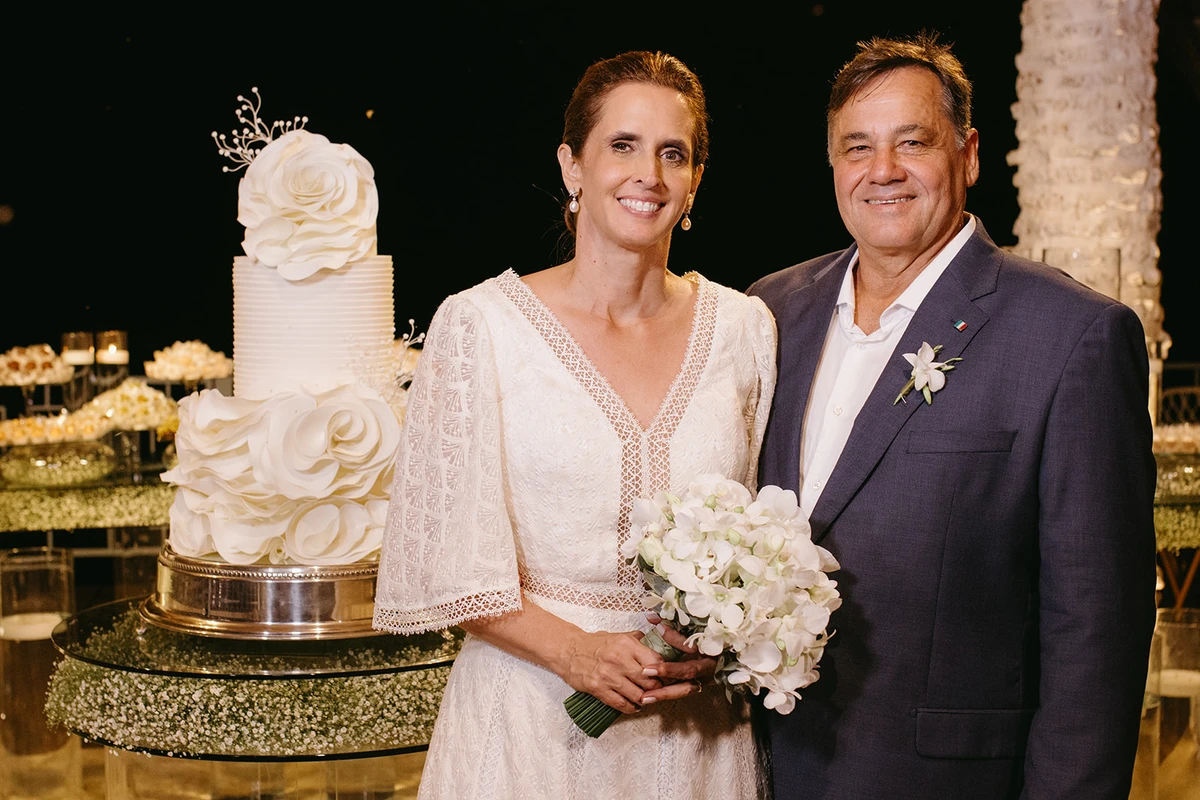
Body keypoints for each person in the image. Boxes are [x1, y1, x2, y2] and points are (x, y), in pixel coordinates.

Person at [748, 33, 1157, 799]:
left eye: (913, 143)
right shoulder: (770, 311)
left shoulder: (1071, 335)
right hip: (762, 772)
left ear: (968, 154)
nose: (883, 172)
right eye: (857, 147)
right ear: (833, 165)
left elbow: (1096, 631)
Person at [373, 50, 776, 799]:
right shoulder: (480, 327)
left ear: (694, 183)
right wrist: (573, 652)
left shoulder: (744, 330)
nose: (647, 174)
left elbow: (764, 534)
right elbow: (442, 563)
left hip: (696, 742)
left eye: (673, 153)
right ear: (572, 166)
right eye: (621, 145)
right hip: (528, 728)